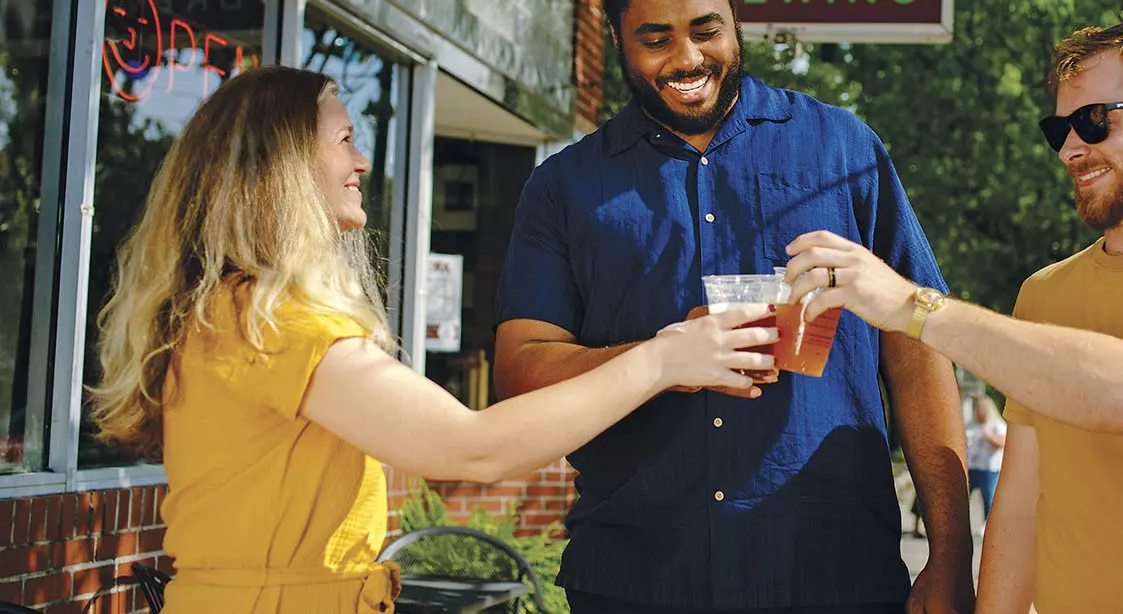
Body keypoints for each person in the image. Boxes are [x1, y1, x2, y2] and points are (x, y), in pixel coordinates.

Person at [91, 65, 778, 614]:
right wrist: (663, 358)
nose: (361, 160)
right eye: (343, 139)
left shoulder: (230, 312)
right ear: (282, 163)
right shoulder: (275, 321)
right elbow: (471, 447)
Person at [493, 0, 975, 614]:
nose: (687, 56)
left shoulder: (844, 149)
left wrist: (950, 554)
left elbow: (918, 347)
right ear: (616, 39)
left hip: (832, 578)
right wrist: (662, 355)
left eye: (705, 29)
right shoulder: (564, 187)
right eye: (656, 37)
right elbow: (520, 369)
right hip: (637, 582)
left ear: (735, 22)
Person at [783, 18, 1123, 613]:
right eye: (1058, 128)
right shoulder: (1045, 293)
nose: (1069, 148)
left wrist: (911, 306)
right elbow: (1019, 504)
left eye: (1094, 121)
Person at [964, 396, 1005, 536]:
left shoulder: (997, 425)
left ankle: (988, 525)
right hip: (972, 466)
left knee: (989, 499)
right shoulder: (974, 425)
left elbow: (1001, 443)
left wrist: (988, 434)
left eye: (981, 407)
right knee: (962, 496)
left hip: (989, 468)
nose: (978, 410)